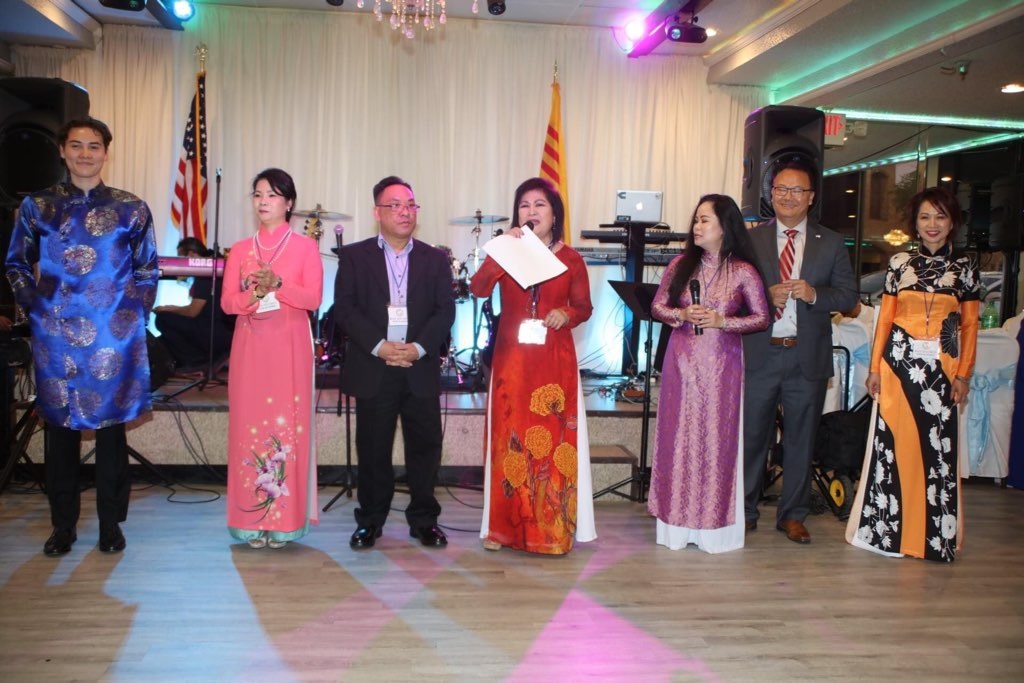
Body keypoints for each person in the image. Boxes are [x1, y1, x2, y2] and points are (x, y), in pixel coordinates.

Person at [5, 116, 159, 556]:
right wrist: (36, 308)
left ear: (106, 153)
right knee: (60, 435)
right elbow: (16, 264)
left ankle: (111, 526)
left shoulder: (131, 208)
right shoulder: (38, 206)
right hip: (56, 336)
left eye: (94, 146)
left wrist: (134, 314)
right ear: (62, 150)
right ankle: (63, 527)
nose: (85, 154)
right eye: (76, 145)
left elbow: (148, 269)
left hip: (114, 337)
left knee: (111, 436)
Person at [846, 187, 979, 562]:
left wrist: (964, 375)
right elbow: (885, 319)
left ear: (952, 222)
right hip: (897, 368)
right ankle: (887, 534)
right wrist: (875, 368)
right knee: (893, 447)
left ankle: (933, 540)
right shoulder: (899, 264)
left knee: (938, 452)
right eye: (925, 217)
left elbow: (970, 326)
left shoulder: (965, 267)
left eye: (940, 216)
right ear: (915, 224)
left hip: (942, 372)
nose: (932, 224)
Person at [470, 177, 596, 555]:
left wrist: (566, 313)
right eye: (524, 205)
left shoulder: (571, 259)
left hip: (553, 361)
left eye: (540, 204)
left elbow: (584, 307)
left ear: (555, 214)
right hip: (512, 361)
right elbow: (478, 288)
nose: (531, 211)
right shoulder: (507, 252)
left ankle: (551, 532)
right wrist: (500, 253)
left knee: (553, 439)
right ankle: (502, 529)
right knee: (508, 438)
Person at [334, 176, 455, 550]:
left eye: (411, 205)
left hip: (419, 366)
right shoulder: (355, 256)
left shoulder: (435, 259)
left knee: (425, 447)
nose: (405, 212)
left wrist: (418, 347)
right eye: (395, 205)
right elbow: (345, 309)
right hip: (374, 366)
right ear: (377, 212)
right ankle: (370, 521)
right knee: (373, 449)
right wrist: (378, 346)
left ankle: (424, 521)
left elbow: (445, 311)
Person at [742, 157, 858, 543]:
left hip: (806, 357)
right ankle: (745, 511)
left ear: (811, 197)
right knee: (752, 437)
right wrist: (764, 295)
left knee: (801, 440)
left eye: (797, 190)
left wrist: (814, 294)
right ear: (771, 194)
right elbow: (733, 294)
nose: (788, 197)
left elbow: (848, 296)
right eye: (781, 189)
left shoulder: (832, 242)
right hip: (759, 354)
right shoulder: (751, 240)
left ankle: (793, 515)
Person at [648, 194, 770, 553]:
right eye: (696, 220)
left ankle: (714, 527)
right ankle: (675, 523)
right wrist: (681, 315)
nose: (696, 226)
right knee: (678, 436)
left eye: (705, 220)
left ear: (725, 226)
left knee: (716, 439)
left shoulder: (743, 271)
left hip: (722, 368)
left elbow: (762, 318)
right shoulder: (680, 265)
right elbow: (657, 306)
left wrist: (722, 321)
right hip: (681, 364)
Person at [221, 168, 323, 549]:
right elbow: (227, 303)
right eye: (258, 194)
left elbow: (313, 299)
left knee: (288, 427)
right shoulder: (239, 250)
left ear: (289, 203)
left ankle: (284, 521)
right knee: (247, 425)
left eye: (272, 195)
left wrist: (279, 284)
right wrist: (253, 294)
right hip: (250, 347)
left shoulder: (305, 248)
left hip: (290, 346)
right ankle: (250, 520)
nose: (263, 201)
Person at [153, 237, 232, 372]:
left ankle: (197, 361)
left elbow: (193, 311)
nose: (179, 264)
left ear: (191, 255)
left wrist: (168, 309)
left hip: (215, 331)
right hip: (222, 329)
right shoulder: (216, 263)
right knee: (163, 338)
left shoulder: (206, 271)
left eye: (181, 259)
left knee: (163, 319)